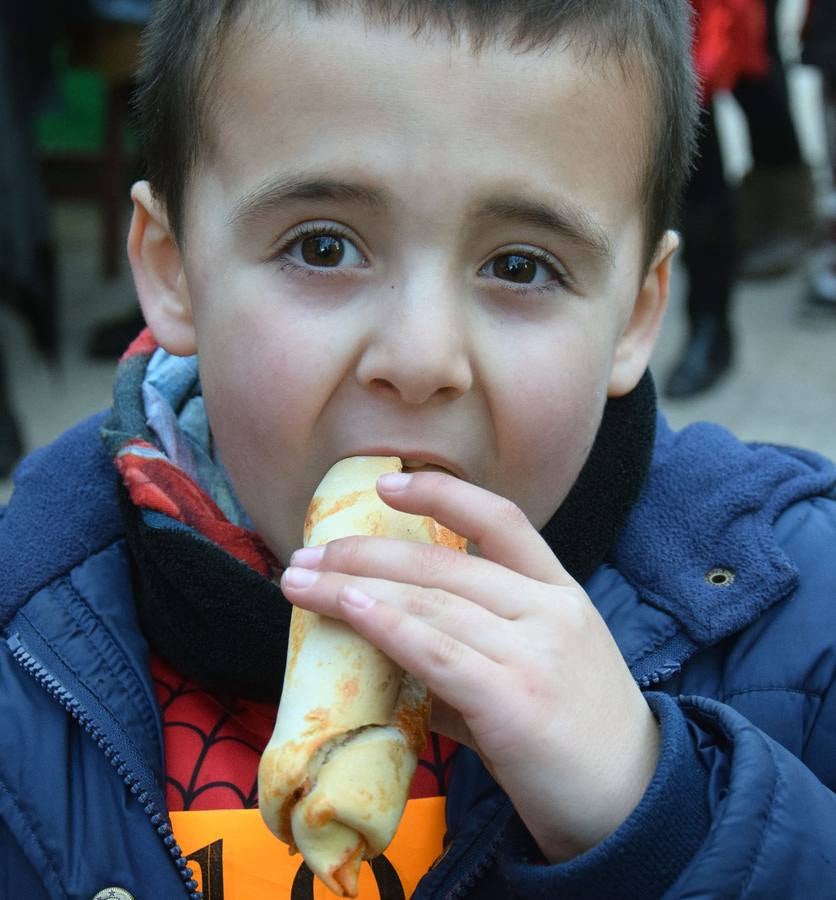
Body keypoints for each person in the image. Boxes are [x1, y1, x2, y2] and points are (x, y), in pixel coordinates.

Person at [2, 2, 836, 899]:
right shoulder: (27, 645)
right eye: (323, 247)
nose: (421, 359)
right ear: (173, 270)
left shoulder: (792, 620)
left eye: (521, 265)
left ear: (635, 315)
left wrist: (655, 809)